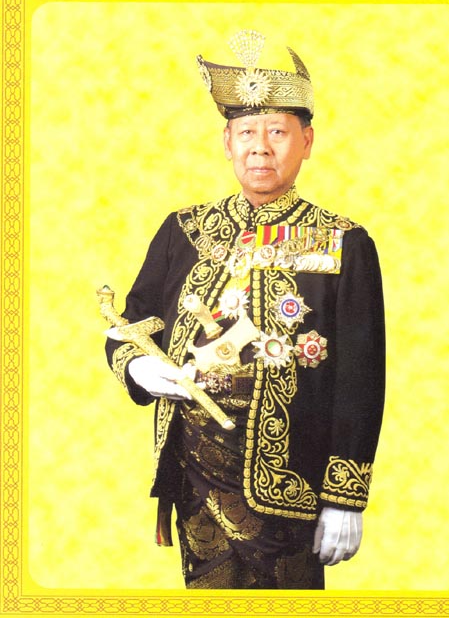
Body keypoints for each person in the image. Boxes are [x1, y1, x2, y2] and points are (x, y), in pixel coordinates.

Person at [104, 29, 385, 589]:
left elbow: (361, 377)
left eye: (277, 132)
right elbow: (129, 326)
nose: (261, 148)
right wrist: (138, 367)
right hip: (193, 473)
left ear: (307, 141)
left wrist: (346, 496)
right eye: (247, 133)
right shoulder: (184, 231)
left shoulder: (344, 243)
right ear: (227, 142)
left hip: (291, 482)